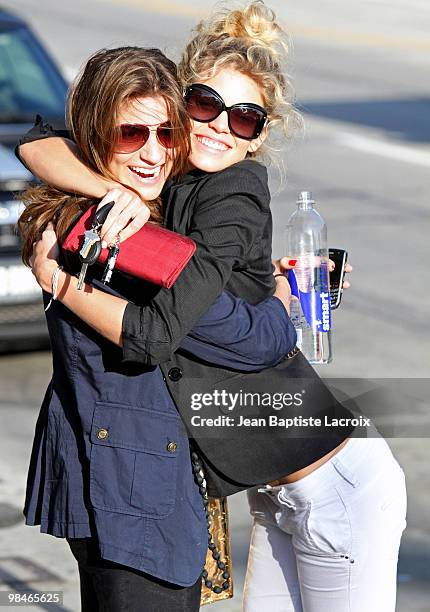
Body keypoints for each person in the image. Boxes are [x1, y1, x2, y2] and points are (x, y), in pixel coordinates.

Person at [20, 2, 405, 611]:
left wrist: (282, 302)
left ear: (261, 134)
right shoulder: (160, 182)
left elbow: (233, 338)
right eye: (202, 107)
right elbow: (37, 140)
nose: (219, 126)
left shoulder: (230, 194)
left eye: (246, 118)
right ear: (179, 102)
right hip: (275, 494)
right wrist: (108, 188)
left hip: (338, 484)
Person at [18, 45, 297, 612]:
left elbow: (36, 138)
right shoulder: (118, 233)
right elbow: (248, 338)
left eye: (167, 134)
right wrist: (282, 302)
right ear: (96, 135)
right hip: (132, 494)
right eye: (129, 135)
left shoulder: (117, 202)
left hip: (114, 476)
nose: (151, 155)